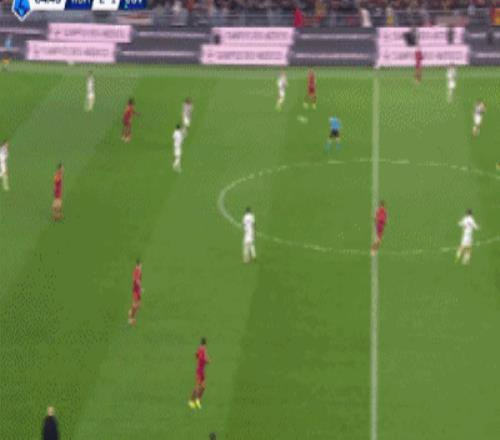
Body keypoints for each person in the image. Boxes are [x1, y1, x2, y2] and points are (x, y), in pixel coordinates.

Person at [188, 337, 210, 410]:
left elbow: (196, 354)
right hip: (199, 371)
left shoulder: (201, 349)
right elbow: (202, 358)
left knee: (203, 387)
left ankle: (198, 400)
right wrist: (207, 361)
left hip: (202, 371)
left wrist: (201, 358)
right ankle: (191, 401)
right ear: (205, 343)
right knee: (197, 387)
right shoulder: (202, 350)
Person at [128, 259, 142, 326]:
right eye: (140, 265)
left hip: (137, 290)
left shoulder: (138, 271)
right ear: (138, 265)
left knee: (138, 305)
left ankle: (132, 316)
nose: (141, 266)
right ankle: (131, 319)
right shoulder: (137, 271)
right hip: (136, 290)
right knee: (135, 304)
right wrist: (140, 288)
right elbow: (136, 281)